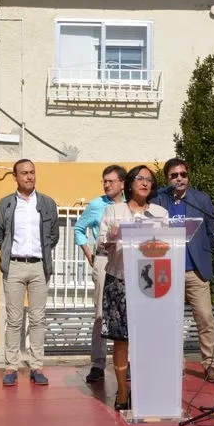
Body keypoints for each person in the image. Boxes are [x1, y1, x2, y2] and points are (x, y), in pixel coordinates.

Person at [97, 165, 169, 410]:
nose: (145, 183)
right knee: (121, 340)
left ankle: (144, 388)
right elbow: (100, 245)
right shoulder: (113, 210)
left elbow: (170, 245)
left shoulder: (160, 213)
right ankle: (122, 391)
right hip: (119, 280)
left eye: (149, 179)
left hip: (149, 283)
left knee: (146, 340)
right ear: (129, 183)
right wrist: (113, 235)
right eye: (140, 178)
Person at [151, 158, 214, 382]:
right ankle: (174, 364)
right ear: (167, 179)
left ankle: (210, 364)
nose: (179, 179)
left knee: (205, 318)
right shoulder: (158, 199)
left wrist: (203, 253)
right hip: (167, 271)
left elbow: (211, 231)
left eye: (183, 174)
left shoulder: (201, 199)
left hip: (195, 271)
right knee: (170, 322)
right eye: (174, 175)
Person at [0, 159, 59, 386]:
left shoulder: (47, 203)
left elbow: (53, 236)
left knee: (38, 318)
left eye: (32, 172)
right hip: (14, 265)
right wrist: (10, 254)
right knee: (14, 319)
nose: (29, 176)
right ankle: (11, 366)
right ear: (15, 177)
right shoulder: (5, 204)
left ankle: (36, 366)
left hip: (40, 266)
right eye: (24, 173)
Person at [74, 165, 127, 383]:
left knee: (126, 312)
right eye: (104, 181)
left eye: (111, 181)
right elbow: (79, 229)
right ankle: (98, 363)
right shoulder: (97, 205)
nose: (106, 185)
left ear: (122, 184)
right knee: (100, 313)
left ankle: (127, 362)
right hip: (104, 259)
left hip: (126, 260)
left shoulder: (130, 206)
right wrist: (89, 254)